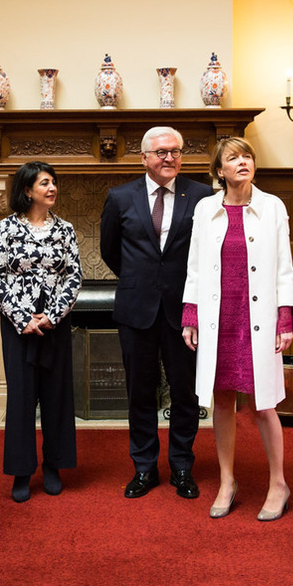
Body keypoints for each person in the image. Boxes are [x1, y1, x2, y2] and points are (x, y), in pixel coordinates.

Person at [181, 137, 293, 521]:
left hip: (259, 319)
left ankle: (278, 482)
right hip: (220, 318)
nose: (243, 162)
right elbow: (195, 267)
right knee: (223, 400)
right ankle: (227, 480)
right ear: (219, 171)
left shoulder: (272, 207)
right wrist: (191, 315)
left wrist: (286, 319)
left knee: (264, 404)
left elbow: (284, 267)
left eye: (247, 156)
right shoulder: (204, 209)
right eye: (233, 158)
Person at [100, 126, 212, 499]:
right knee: (141, 394)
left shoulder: (201, 195)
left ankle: (181, 466)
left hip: (185, 313)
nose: (169, 158)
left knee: (185, 394)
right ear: (144, 157)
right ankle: (144, 468)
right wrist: (141, 280)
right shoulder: (120, 197)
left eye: (176, 151)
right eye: (161, 152)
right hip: (136, 310)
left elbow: (207, 253)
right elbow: (110, 251)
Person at [0, 161, 82, 503]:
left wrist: (52, 316)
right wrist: (22, 317)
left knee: (56, 396)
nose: (52, 187)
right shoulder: (5, 229)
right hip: (19, 326)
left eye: (54, 182)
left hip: (54, 325)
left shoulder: (66, 229)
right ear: (27, 190)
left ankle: (54, 466)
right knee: (22, 398)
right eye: (44, 183)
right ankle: (22, 471)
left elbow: (74, 276)